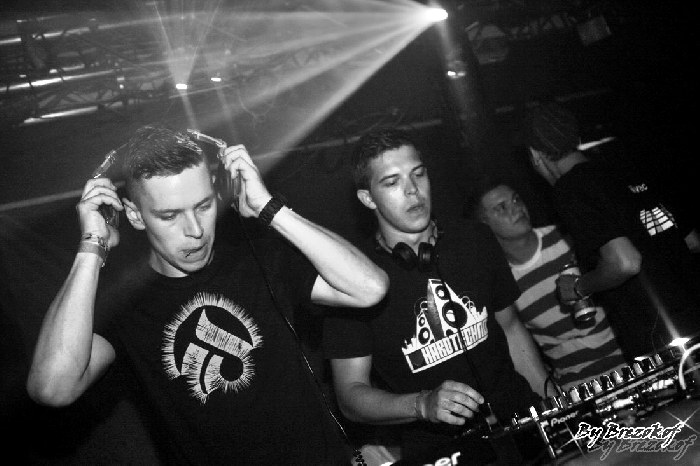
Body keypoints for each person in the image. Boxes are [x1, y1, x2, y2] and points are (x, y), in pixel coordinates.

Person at [26, 125, 389, 465]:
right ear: (135, 216)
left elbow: (369, 289)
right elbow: (53, 388)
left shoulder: (262, 258)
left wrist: (268, 208)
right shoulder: (125, 305)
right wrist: (93, 245)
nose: (195, 230)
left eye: (203, 206)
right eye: (169, 215)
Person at [322, 128, 546, 461]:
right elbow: (350, 397)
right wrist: (422, 404)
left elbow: (512, 329)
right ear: (368, 199)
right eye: (392, 182)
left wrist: (552, 408)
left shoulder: (475, 238)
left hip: (521, 423)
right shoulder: (353, 281)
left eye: (418, 174)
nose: (412, 190)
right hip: (441, 450)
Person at [525, 101, 700, 361]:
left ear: (535, 154)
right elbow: (692, 240)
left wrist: (579, 287)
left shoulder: (570, 188)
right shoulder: (626, 169)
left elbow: (625, 262)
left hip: (664, 338)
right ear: (577, 138)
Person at [465, 179, 627, 390]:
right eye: (501, 207)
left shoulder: (568, 238)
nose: (516, 208)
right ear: (484, 226)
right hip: (578, 389)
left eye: (516, 199)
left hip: (630, 364)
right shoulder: (500, 280)